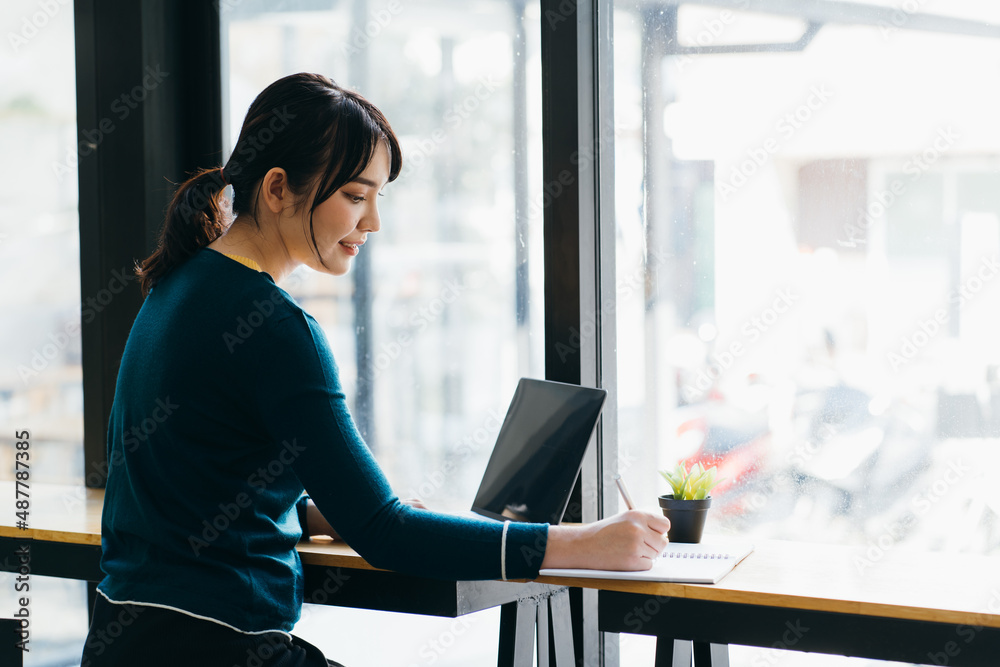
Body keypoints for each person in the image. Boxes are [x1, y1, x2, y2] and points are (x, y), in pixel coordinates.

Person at [79, 72, 670, 667]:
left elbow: (183, 482)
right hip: (218, 649)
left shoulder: (177, 285)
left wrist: (299, 513)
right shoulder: (275, 327)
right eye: (356, 197)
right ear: (278, 189)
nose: (372, 223)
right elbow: (385, 531)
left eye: (378, 198)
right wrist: (587, 543)